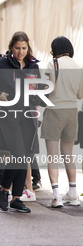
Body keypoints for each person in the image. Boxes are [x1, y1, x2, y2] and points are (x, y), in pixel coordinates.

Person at [0, 31, 41, 213]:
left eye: (24, 48)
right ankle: (4, 189)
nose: (21, 52)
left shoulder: (33, 66)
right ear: (11, 47)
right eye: (17, 48)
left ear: (28, 47)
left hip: (27, 115)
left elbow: (35, 90)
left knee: (24, 156)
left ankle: (16, 198)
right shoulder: (1, 64)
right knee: (19, 153)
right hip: (8, 116)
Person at [41, 36, 83, 207]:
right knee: (68, 154)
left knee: (52, 155)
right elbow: (80, 95)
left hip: (55, 111)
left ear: (55, 49)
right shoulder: (78, 66)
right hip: (72, 112)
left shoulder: (54, 64)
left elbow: (51, 90)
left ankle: (56, 196)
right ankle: (73, 193)